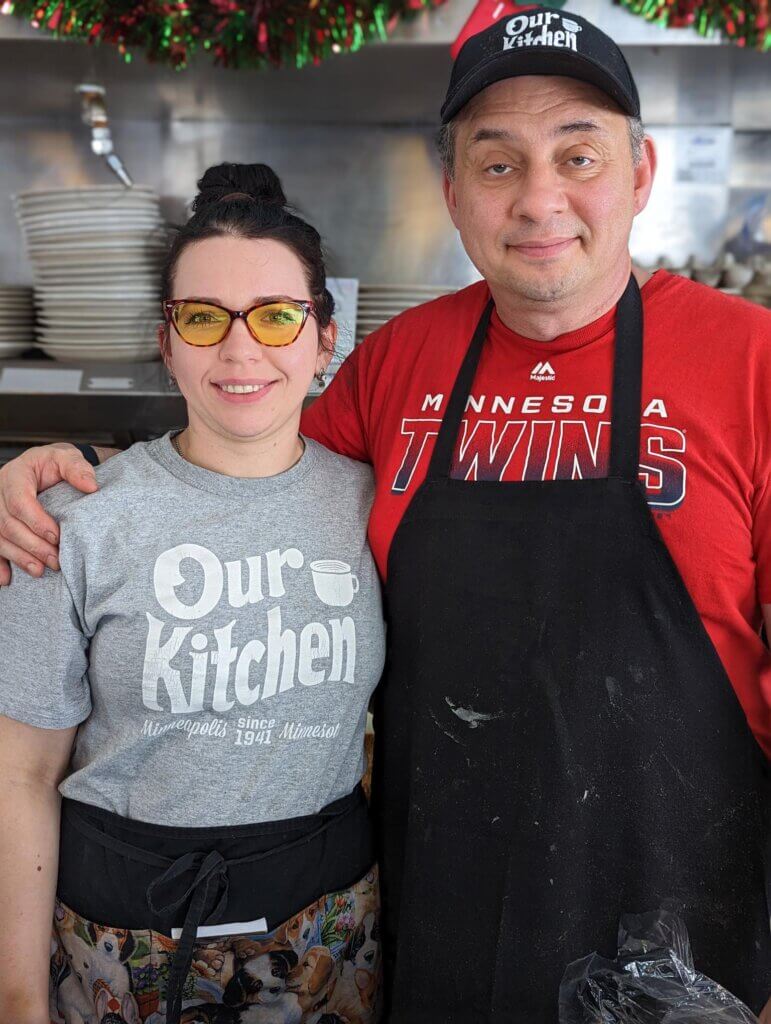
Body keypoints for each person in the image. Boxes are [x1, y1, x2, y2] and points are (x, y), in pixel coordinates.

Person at [1, 7, 770, 1021]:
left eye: (578, 156)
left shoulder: (752, 362)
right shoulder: (404, 360)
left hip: (689, 930)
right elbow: (247, 449)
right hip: (437, 916)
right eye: (498, 165)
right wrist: (70, 476)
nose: (541, 198)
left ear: (641, 172)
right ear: (454, 194)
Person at [0, 163, 385, 1024]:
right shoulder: (70, 518)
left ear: (325, 339)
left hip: (326, 930)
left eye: (278, 316)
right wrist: (17, 999)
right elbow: (19, 776)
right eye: (202, 318)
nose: (240, 350)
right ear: (167, 340)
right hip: (120, 937)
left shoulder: (378, 505)